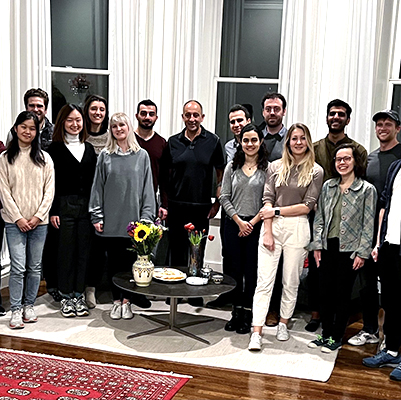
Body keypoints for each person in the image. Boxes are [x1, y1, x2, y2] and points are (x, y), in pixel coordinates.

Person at [248, 123, 323, 351]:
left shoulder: (316, 171)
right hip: (273, 225)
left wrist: (276, 211)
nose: (298, 142)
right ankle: (257, 330)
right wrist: (268, 229)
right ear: (288, 142)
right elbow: (267, 198)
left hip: (298, 227)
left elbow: (307, 206)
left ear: (307, 142)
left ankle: (283, 322)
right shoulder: (275, 167)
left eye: (302, 138)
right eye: (293, 138)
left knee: (291, 280)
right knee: (264, 281)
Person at [306, 99, 368, 333]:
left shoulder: (358, 149)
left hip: (348, 225)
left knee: (342, 280)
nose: (336, 117)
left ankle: (338, 322)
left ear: (347, 120)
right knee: (317, 272)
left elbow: (363, 192)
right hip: (319, 216)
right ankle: (316, 315)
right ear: (326, 117)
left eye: (341, 114)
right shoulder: (315, 147)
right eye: (332, 113)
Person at [307, 144, 376, 353]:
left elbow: (369, 223)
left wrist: (363, 253)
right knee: (324, 292)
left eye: (347, 158)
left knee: (342, 295)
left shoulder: (366, 190)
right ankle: (325, 333)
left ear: (355, 161)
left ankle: (336, 336)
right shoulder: (328, 186)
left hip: (351, 250)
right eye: (338, 159)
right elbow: (319, 219)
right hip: (328, 246)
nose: (342, 163)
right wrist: (317, 245)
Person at [89, 112, 155, 319]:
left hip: (134, 223)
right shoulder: (105, 156)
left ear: (129, 127)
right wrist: (96, 216)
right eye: (114, 126)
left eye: (122, 125)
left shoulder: (141, 155)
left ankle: (127, 301)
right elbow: (97, 188)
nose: (118, 129)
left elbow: (148, 189)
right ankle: (116, 301)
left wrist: (146, 218)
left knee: (129, 266)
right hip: (111, 220)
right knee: (114, 265)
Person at [348, 110, 401, 346]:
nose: (382, 128)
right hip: (368, 232)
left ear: (397, 128)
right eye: (379, 124)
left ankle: (390, 336)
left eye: (387, 124)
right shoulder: (369, 159)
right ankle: (369, 329)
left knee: (391, 290)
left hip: (393, 235)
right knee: (367, 285)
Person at [0, 111, 54, 329]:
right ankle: (15, 309)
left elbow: (49, 192)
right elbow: (4, 192)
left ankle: (28, 306)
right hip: (14, 223)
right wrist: (19, 218)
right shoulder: (4, 159)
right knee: (18, 266)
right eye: (24, 127)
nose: (27, 131)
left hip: (39, 223)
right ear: (16, 128)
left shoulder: (45, 159)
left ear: (37, 131)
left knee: (34, 267)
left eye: (32, 128)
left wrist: (38, 216)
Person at [159, 100, 225, 269]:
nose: (192, 118)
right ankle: (175, 294)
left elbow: (221, 175)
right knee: (176, 255)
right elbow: (163, 177)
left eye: (196, 115)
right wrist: (165, 204)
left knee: (197, 254)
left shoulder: (213, 141)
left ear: (202, 117)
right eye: (188, 115)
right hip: (176, 208)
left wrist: (217, 203)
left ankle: (195, 295)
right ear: (183, 117)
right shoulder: (173, 142)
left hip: (201, 208)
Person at [48, 104, 97, 318]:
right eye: (70, 120)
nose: (75, 124)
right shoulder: (53, 150)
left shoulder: (89, 149)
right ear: (62, 123)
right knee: (65, 252)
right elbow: (50, 184)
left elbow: (95, 183)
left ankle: (79, 295)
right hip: (63, 206)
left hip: (86, 206)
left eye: (78, 120)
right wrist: (53, 210)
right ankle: (66, 296)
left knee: (83, 252)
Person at [220, 124, 268, 334]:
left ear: (261, 142)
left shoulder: (268, 169)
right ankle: (236, 312)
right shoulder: (232, 166)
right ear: (240, 142)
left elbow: (269, 199)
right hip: (234, 225)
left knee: (252, 272)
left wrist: (252, 222)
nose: (250, 144)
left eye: (254, 140)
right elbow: (224, 196)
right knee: (235, 272)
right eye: (245, 140)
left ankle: (249, 314)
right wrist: (239, 221)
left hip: (257, 227)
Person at [362, 149, 401, 381]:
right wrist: (379, 241)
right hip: (389, 245)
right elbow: (384, 205)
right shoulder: (395, 167)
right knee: (391, 302)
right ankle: (392, 351)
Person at [208, 104, 252, 310]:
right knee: (229, 255)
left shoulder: (257, 148)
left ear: (249, 121)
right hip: (229, 211)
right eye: (233, 121)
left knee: (250, 261)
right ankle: (228, 295)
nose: (236, 125)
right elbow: (222, 177)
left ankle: (247, 301)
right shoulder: (227, 147)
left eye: (240, 120)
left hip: (252, 214)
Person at [257, 92, 289, 326]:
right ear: (263, 112)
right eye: (268, 108)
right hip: (254, 205)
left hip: (280, 210)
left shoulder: (291, 140)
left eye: (276, 109)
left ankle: (274, 310)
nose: (272, 112)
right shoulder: (255, 137)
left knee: (277, 265)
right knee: (258, 264)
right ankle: (254, 306)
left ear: (283, 112)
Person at [82, 94, 110, 309]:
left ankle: (94, 286)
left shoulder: (111, 137)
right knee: (85, 246)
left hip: (107, 200)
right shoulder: (79, 136)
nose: (97, 113)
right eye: (94, 109)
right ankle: (83, 288)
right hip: (82, 199)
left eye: (101, 109)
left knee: (100, 248)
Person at [134, 99, 167, 219]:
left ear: (156, 117)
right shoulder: (127, 140)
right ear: (137, 116)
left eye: (151, 114)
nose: (147, 117)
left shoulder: (162, 143)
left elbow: (164, 177)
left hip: (150, 200)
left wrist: (164, 204)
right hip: (128, 199)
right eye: (143, 113)